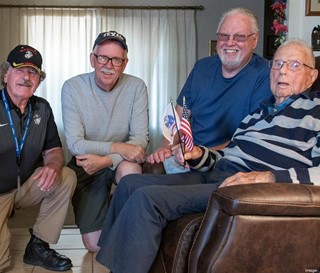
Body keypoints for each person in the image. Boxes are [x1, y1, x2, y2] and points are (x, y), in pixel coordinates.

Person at [95, 38, 319, 273]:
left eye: (294, 65)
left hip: (240, 188)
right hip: (216, 174)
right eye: (277, 64)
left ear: (312, 76)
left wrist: (269, 178)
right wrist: (197, 153)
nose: (282, 70)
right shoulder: (258, 113)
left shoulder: (316, 111)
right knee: (130, 184)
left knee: (146, 199)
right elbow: (227, 155)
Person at [147, 7, 272, 173]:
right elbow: (177, 115)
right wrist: (167, 148)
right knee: (133, 181)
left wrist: (201, 154)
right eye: (224, 36)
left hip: (227, 161)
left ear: (254, 40)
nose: (230, 43)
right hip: (189, 157)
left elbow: (250, 137)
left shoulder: (266, 74)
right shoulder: (202, 67)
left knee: (146, 193)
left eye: (239, 37)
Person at [61, 30, 149, 252]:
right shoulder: (72, 87)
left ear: (124, 63)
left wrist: (108, 159)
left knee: (130, 169)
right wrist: (118, 147)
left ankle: (128, 227)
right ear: (93, 59)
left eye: (116, 59)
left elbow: (139, 141)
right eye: (103, 57)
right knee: (95, 246)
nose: (109, 65)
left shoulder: (137, 87)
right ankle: (108, 207)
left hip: (119, 162)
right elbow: (75, 143)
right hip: (86, 163)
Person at [0, 45, 77, 272]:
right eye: (20, 70)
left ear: (39, 80)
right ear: (6, 74)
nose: (26, 77)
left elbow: (54, 150)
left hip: (24, 187)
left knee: (65, 175)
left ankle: (38, 245)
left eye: (33, 72)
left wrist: (53, 166)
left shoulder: (42, 108)